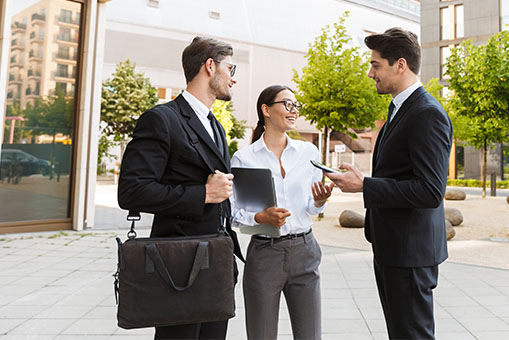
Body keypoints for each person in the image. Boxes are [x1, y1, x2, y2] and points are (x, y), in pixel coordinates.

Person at [325, 28, 453, 339]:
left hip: (410, 253)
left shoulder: (426, 114)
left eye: (375, 65)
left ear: (400, 65)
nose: (370, 73)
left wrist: (365, 186)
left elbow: (430, 190)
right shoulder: (400, 109)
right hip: (394, 247)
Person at [118, 36, 244, 340]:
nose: (234, 77)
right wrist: (202, 194)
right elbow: (132, 191)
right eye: (231, 67)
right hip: (179, 267)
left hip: (217, 265)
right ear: (210, 66)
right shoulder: (161, 119)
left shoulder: (215, 125)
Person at [230, 85, 334, 340]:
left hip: (305, 250)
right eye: (287, 104)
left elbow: (311, 206)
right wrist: (259, 218)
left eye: (296, 105)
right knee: (261, 335)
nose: (294, 110)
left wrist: (320, 202)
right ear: (266, 109)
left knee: (310, 336)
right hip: (265, 254)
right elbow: (232, 212)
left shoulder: (307, 153)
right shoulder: (244, 158)